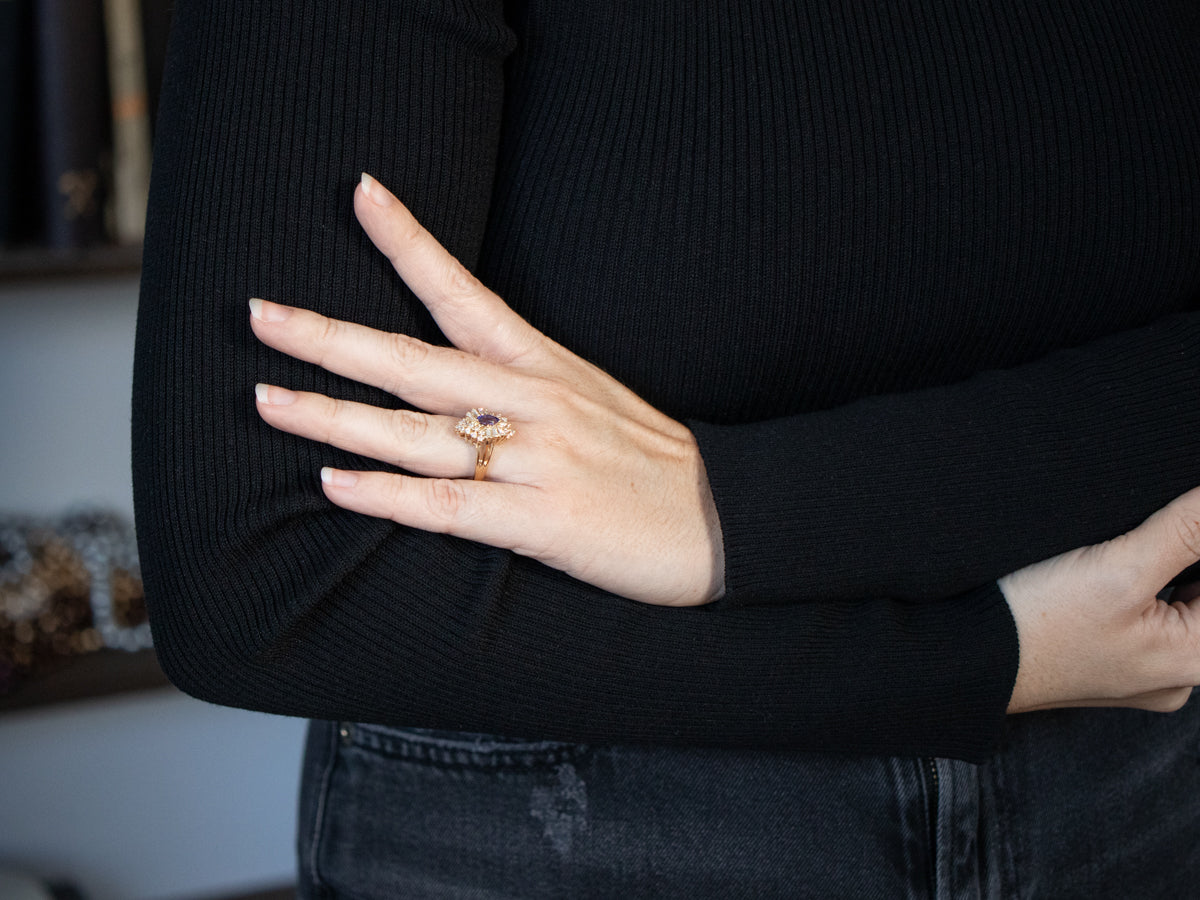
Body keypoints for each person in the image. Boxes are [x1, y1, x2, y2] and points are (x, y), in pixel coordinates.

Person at [132, 1, 1200, 896]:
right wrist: (980, 661)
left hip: (1139, 777)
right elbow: (265, 584)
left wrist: (731, 511)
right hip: (578, 823)